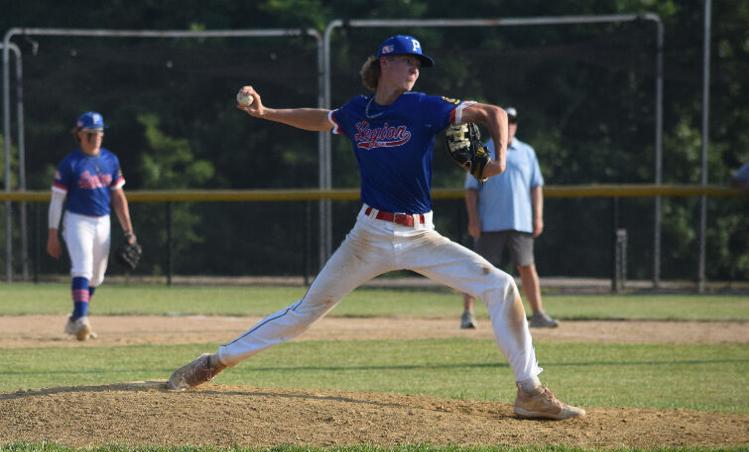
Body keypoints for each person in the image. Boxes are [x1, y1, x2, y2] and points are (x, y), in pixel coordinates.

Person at [168, 35, 585, 420]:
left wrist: (500, 157)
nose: (415, 69)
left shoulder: (424, 106)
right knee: (304, 312)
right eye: (408, 61)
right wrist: (267, 113)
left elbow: (491, 112)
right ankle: (214, 362)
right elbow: (321, 118)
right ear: (385, 63)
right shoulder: (358, 111)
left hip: (421, 236)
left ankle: (529, 391)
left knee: (501, 285)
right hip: (367, 238)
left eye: (419, 64)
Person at [459, 107, 558, 330]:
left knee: (527, 267)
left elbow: (536, 187)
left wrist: (538, 216)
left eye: (513, 122)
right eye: (505, 121)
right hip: (489, 221)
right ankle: (467, 313)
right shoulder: (481, 150)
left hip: (520, 221)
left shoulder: (527, 152)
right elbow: (471, 190)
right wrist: (473, 220)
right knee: (479, 268)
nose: (509, 125)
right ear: (495, 126)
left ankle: (538, 314)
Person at [47, 111, 137, 341]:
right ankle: (83, 320)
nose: (96, 137)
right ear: (79, 135)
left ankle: (75, 318)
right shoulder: (70, 163)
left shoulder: (110, 160)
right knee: (82, 268)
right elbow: (57, 200)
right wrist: (53, 233)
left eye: (99, 133)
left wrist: (129, 230)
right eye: (90, 133)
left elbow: (118, 196)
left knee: (96, 277)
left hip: (103, 220)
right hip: (77, 220)